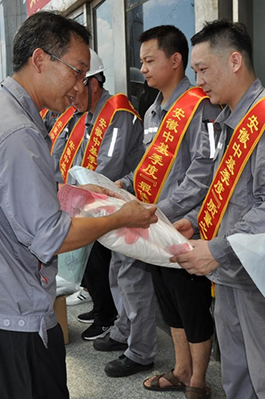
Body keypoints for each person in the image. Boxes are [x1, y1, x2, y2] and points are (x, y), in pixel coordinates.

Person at [0, 11, 157, 399]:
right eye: (76, 71)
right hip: (13, 309)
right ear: (41, 59)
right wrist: (120, 217)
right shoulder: (19, 132)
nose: (79, 85)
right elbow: (50, 236)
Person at [171, 20, 265, 398]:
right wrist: (195, 222)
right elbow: (225, 195)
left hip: (261, 278)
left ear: (234, 61)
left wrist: (215, 249)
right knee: (237, 376)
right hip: (230, 272)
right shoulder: (228, 120)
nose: (198, 82)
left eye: (202, 69)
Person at [101, 25, 221, 386]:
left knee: (190, 301)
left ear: (176, 60)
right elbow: (148, 162)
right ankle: (181, 369)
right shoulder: (152, 111)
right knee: (168, 302)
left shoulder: (202, 106)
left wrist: (161, 211)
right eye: (141, 62)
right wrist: (126, 183)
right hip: (155, 223)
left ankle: (198, 379)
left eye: (150, 60)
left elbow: (203, 172)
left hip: (184, 225)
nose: (144, 69)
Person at [65, 48, 145, 341]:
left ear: (93, 84)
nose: (71, 97)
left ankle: (110, 319)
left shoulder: (117, 112)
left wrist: (80, 194)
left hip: (119, 200)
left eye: (76, 90)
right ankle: (105, 312)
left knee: (114, 269)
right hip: (101, 200)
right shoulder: (89, 114)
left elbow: (107, 168)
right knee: (100, 265)